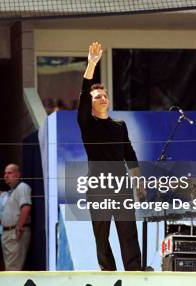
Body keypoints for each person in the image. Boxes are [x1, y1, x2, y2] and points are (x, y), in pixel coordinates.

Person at [77, 42, 144, 271]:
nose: (102, 98)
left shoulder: (119, 126)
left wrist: (138, 183)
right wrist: (92, 64)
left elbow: (130, 155)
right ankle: (108, 271)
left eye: (104, 95)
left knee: (128, 231)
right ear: (91, 105)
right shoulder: (87, 124)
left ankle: (134, 271)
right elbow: (84, 94)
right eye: (97, 97)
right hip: (98, 185)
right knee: (101, 233)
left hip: (121, 184)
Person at [0, 163, 31, 271]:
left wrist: (18, 227)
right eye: (5, 173)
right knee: (10, 267)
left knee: (13, 269)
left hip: (15, 233)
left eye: (10, 173)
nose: (6, 176)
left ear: (17, 175)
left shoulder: (22, 187)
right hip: (8, 234)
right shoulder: (10, 192)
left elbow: (26, 207)